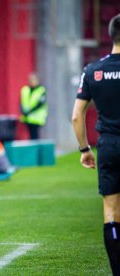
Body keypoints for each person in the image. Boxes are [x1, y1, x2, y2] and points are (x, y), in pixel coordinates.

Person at [72, 14, 120, 275]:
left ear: (111, 36)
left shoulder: (93, 71)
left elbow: (77, 115)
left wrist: (84, 149)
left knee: (111, 211)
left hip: (109, 145)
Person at [20, 73, 48, 139]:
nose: (32, 81)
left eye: (34, 79)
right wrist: (22, 111)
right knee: (31, 135)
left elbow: (40, 104)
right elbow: (21, 102)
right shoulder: (25, 89)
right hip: (27, 117)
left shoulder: (41, 90)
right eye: (31, 80)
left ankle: (37, 149)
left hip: (37, 118)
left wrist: (29, 111)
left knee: (35, 135)